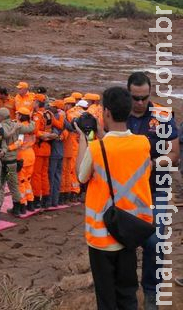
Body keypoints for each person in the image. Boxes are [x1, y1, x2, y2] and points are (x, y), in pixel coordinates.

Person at [76, 86, 153, 310]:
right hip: (130, 232)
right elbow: (124, 160)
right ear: (129, 110)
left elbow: (81, 176)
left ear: (106, 112)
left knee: (106, 298)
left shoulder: (97, 148)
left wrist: (83, 138)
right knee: (128, 293)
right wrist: (103, 134)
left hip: (101, 238)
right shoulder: (142, 144)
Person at [125, 71, 179, 309]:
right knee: (123, 242)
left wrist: (153, 164)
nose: (139, 103)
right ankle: (127, 291)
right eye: (135, 98)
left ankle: (150, 292)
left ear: (150, 94)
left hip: (156, 188)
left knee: (154, 241)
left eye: (143, 97)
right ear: (128, 93)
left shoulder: (163, 116)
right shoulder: (118, 114)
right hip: (126, 191)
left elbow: (174, 155)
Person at [1, 107, 35, 217]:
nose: (15, 116)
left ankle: (22, 205)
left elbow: (19, 143)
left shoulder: (20, 126)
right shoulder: (30, 125)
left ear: (20, 116)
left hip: (22, 156)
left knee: (20, 182)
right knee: (27, 180)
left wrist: (7, 149)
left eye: (17, 114)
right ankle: (30, 203)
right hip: (31, 154)